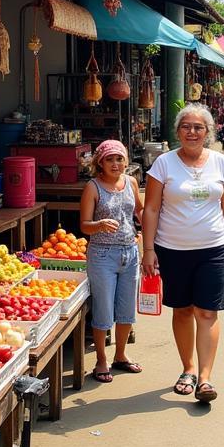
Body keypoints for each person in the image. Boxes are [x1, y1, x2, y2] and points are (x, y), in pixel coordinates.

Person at [142, 104, 224, 403]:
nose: (192, 132)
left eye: (198, 127)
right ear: (177, 132)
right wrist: (148, 249)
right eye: (186, 126)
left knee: (207, 311)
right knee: (183, 310)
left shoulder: (221, 163)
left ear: (208, 132)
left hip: (213, 248)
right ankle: (187, 369)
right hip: (172, 249)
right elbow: (151, 208)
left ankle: (205, 378)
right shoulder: (163, 164)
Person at [79, 140, 143, 383]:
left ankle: (121, 355)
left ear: (125, 161)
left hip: (130, 252)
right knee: (104, 309)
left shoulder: (132, 182)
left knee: (127, 309)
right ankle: (101, 360)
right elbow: (84, 225)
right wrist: (99, 225)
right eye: (110, 159)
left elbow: (139, 210)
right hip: (102, 254)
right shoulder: (93, 187)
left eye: (119, 159)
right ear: (100, 163)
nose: (115, 164)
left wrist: (148, 236)